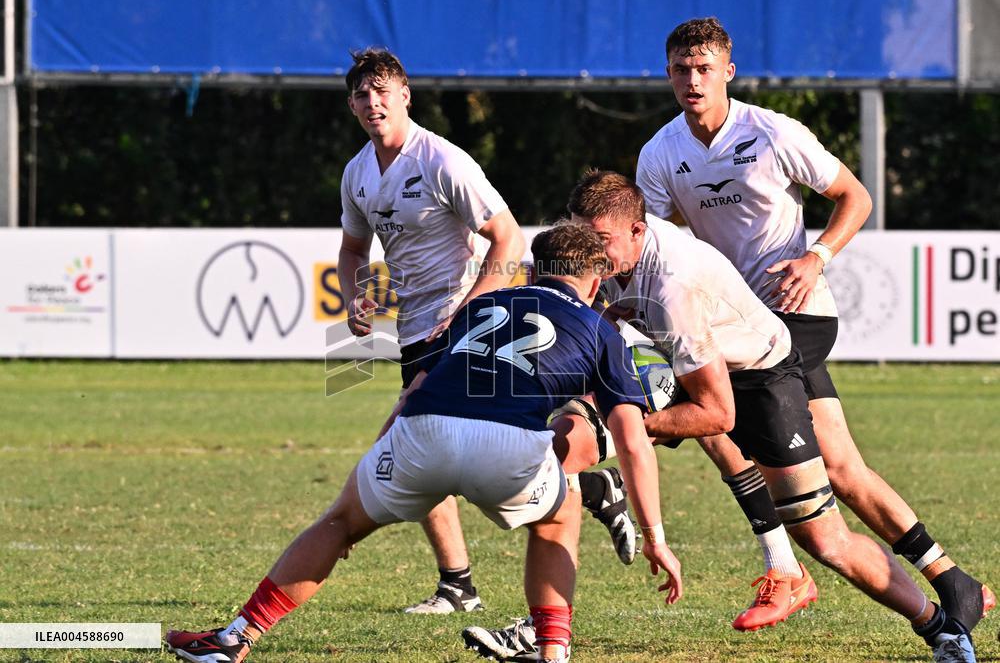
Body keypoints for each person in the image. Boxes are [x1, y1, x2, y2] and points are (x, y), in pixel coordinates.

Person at [463, 171, 976, 663]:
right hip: (674, 363)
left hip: (760, 379)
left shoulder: (672, 288)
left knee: (826, 540)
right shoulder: (614, 252)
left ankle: (940, 629)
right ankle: (548, 629)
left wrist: (633, 429)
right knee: (563, 448)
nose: (591, 253)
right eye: (581, 235)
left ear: (639, 230)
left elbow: (717, 412)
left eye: (600, 240)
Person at [165, 223, 684, 663]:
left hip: (422, 431)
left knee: (338, 524)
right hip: (507, 448)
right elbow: (632, 441)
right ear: (595, 281)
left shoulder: (484, 305)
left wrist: (373, 468)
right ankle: (552, 652)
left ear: (534, 269)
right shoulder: (599, 327)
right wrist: (656, 537)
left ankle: (233, 639)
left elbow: (413, 388)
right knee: (561, 513)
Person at [635, 16, 993, 635]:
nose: (692, 81)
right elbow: (657, 242)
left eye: (704, 69)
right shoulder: (661, 153)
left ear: (729, 72)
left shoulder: (771, 132)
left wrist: (816, 256)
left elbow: (856, 196)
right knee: (844, 468)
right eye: (680, 70)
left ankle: (788, 570)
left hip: (796, 315)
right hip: (735, 322)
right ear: (668, 74)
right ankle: (953, 580)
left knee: (708, 409)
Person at [336, 47, 522, 614]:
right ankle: (458, 585)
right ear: (352, 104)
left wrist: (471, 311)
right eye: (363, 96)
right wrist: (354, 296)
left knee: (417, 446)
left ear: (405, 95)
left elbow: (509, 239)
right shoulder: (358, 173)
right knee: (433, 454)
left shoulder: (442, 160)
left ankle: (459, 582)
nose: (374, 104)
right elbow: (350, 250)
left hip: (467, 323)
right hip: (414, 331)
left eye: (383, 92)